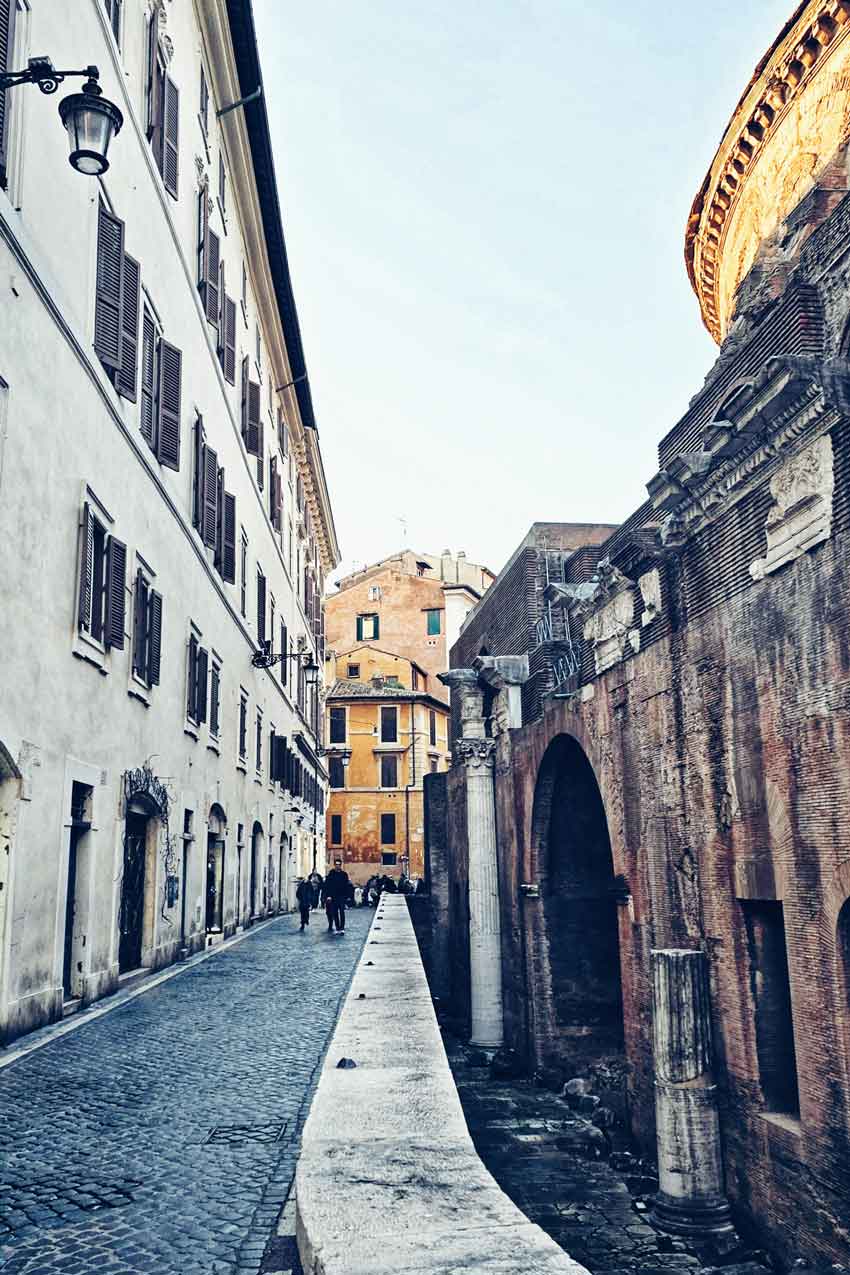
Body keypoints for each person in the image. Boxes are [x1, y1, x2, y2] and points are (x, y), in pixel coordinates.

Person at [322, 857, 350, 933]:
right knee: (335, 913)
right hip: (333, 897)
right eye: (336, 864)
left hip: (341, 896)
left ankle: (342, 928)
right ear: (334, 865)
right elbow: (327, 885)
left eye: (339, 864)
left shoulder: (344, 874)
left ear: (341, 865)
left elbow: (346, 886)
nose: (338, 866)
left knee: (342, 912)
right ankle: (337, 928)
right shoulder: (331, 874)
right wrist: (328, 896)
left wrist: (347, 897)